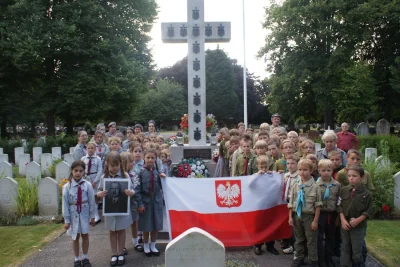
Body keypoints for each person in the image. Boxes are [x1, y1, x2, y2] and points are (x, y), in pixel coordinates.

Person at [97, 152, 134, 266]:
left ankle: (121, 252)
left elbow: (133, 191)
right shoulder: (104, 177)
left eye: (117, 165)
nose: (114, 168)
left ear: (120, 164)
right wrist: (100, 194)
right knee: (112, 232)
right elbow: (98, 191)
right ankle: (114, 253)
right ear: (107, 164)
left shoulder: (125, 176)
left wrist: (130, 193)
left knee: (121, 231)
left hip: (122, 209)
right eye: (112, 166)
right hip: (110, 210)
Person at [288, 159, 322, 267]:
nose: (302, 172)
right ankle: (299, 258)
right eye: (300, 170)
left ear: (311, 170)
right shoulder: (295, 185)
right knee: (298, 239)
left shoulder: (315, 187)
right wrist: (290, 217)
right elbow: (291, 202)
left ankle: (313, 261)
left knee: (311, 240)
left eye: (305, 170)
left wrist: (315, 221)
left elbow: (318, 205)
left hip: (309, 217)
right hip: (297, 215)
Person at [62, 160, 96, 267]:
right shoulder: (67, 187)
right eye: (76, 170)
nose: (78, 173)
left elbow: (91, 201)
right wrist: (67, 220)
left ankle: (85, 257)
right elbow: (65, 204)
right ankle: (77, 258)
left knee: (85, 235)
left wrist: (92, 217)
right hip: (73, 214)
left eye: (80, 171)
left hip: (84, 213)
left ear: (84, 172)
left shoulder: (87, 185)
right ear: (72, 171)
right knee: (75, 237)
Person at [338, 165, 372, 267]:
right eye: (349, 176)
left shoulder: (367, 194)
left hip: (358, 226)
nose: (351, 178)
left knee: (357, 251)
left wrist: (358, 220)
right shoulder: (343, 190)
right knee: (345, 248)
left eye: (354, 176)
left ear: (362, 177)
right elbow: (339, 206)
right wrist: (343, 220)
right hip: (345, 225)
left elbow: (369, 211)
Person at [135, 149, 167, 257]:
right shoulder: (140, 172)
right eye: (148, 157)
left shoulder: (158, 173)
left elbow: (163, 188)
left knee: (156, 225)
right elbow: (137, 190)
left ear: (155, 159)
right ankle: (146, 245)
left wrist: (164, 179)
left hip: (156, 202)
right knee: (146, 225)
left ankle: (153, 245)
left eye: (152, 158)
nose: (150, 160)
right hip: (145, 202)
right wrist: (140, 204)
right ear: (144, 158)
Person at [249, 151, 279, 256]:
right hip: (259, 206)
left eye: (266, 166)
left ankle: (270, 246)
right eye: (261, 166)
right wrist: (257, 175)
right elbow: (249, 185)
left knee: (271, 225)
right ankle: (258, 245)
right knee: (259, 226)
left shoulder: (271, 175)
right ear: (257, 166)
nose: (264, 168)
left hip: (270, 205)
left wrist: (276, 174)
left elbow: (279, 183)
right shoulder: (254, 175)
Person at [316, 159, 341, 267]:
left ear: (332, 171)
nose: (326, 172)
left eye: (328, 170)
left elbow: (339, 201)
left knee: (331, 237)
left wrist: (338, 217)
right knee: (319, 237)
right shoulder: (316, 185)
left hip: (332, 214)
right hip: (320, 214)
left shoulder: (337, 185)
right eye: (323, 170)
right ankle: (320, 259)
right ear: (319, 171)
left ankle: (329, 257)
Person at [281, 154, 300, 254]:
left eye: (292, 163)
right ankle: (293, 246)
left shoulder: (299, 176)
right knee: (290, 226)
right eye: (288, 163)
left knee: (296, 227)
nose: (290, 165)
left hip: (295, 203)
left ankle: (298, 249)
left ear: (297, 164)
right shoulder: (286, 175)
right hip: (287, 202)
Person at [81, 142, 102, 224]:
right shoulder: (83, 159)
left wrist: (95, 181)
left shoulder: (98, 159)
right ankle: (90, 215)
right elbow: (81, 169)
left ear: (95, 149)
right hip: (86, 179)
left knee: (95, 197)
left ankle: (96, 215)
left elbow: (100, 171)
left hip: (94, 179)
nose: (90, 150)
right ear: (86, 149)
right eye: (89, 148)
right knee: (88, 197)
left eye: (92, 148)